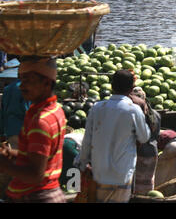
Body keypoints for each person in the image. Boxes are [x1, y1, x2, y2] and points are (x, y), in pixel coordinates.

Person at [0, 57, 67, 203]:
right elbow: (41, 157)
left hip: (35, 196)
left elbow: (35, 175)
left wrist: (5, 166)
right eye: (22, 80)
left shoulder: (41, 121)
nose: (22, 86)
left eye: (28, 81)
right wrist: (13, 154)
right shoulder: (56, 110)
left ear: (46, 83)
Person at [79, 70, 150, 203]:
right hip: (122, 172)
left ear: (111, 86)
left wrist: (82, 163)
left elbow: (87, 140)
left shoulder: (96, 108)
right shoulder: (134, 110)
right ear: (131, 88)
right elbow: (144, 137)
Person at [129, 86, 161, 195]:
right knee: (147, 185)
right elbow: (156, 136)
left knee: (134, 188)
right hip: (152, 153)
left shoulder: (135, 113)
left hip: (139, 153)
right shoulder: (156, 114)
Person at [0, 78, 31, 149]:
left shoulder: (7, 89)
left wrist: (1, 132)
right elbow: (28, 110)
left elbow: (2, 112)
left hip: (10, 129)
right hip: (24, 128)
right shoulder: (29, 88)